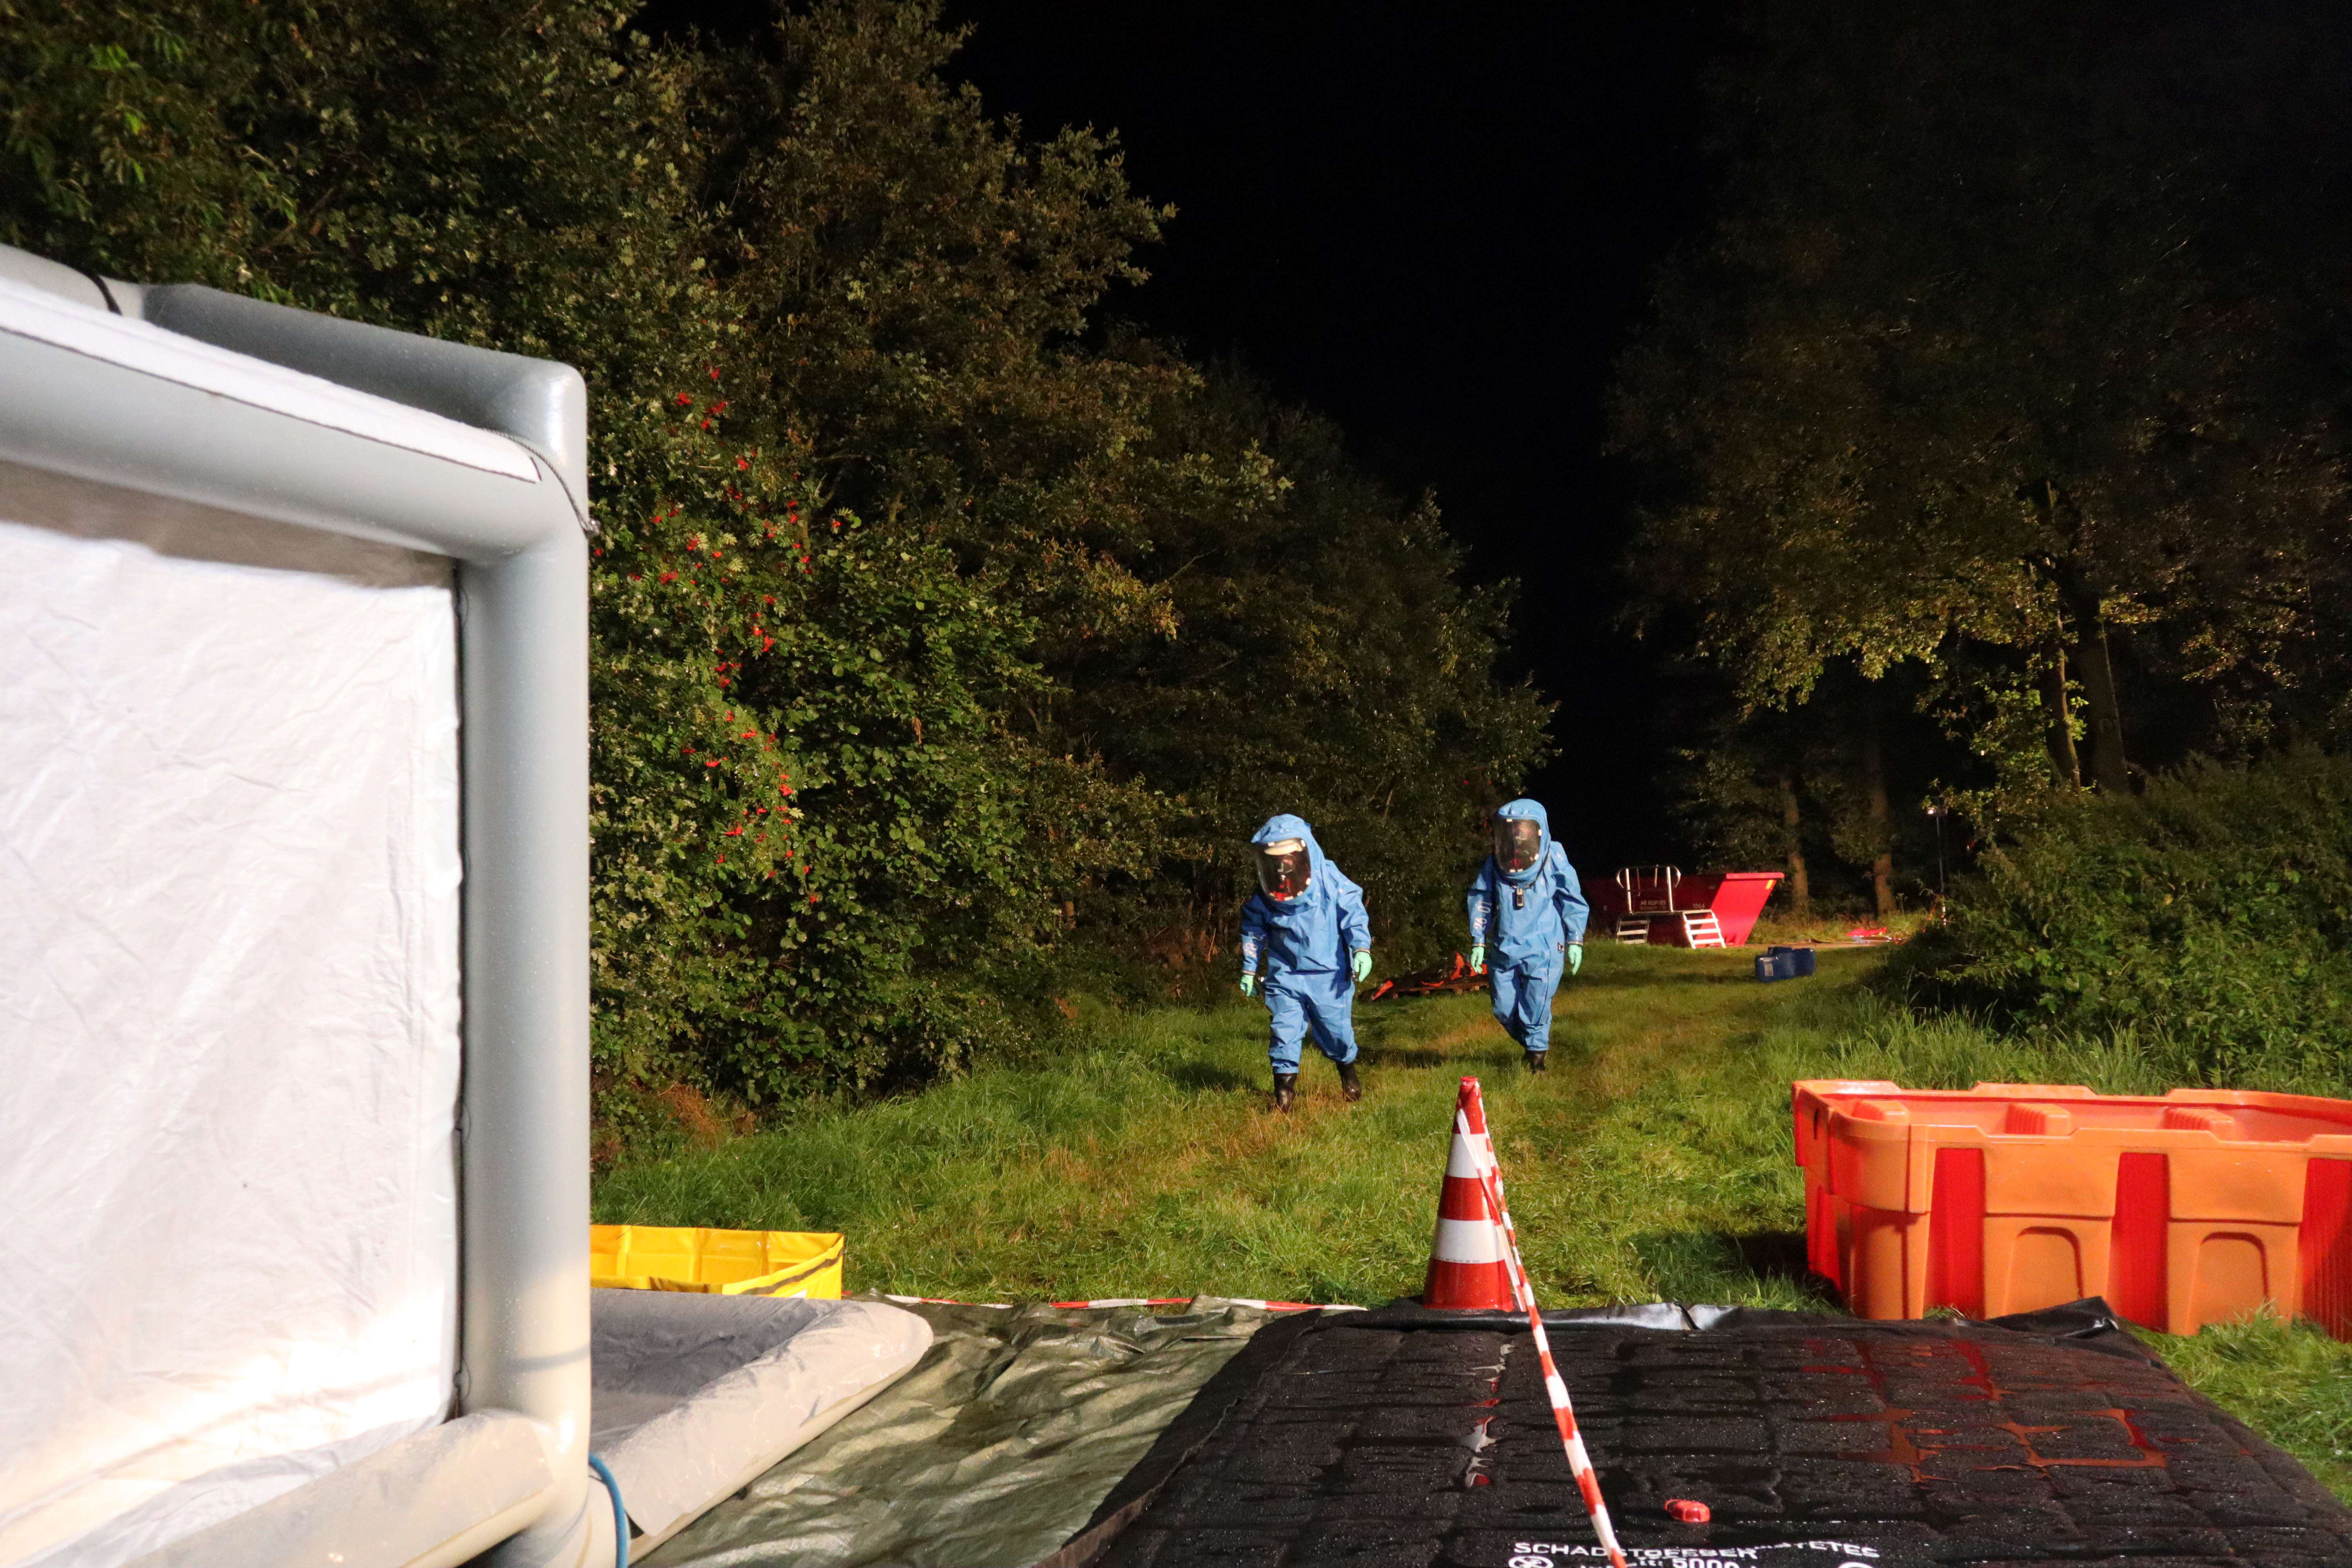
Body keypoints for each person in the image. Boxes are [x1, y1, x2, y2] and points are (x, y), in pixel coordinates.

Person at [1238, 813, 1372, 1111]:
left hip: (1328, 974)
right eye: (1275, 859)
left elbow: (1353, 912)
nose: (1282, 866)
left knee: (1335, 1031)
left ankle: (1347, 1070)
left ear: (1302, 852)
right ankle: (1284, 1094)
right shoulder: (1268, 893)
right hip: (1285, 974)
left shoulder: (1329, 880)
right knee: (1284, 1029)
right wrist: (1249, 968)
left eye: (1287, 857)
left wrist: (1361, 948)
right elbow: (1253, 927)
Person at [1465, 798, 1588, 1073]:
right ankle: (1532, 1044)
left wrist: (1575, 939)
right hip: (1505, 946)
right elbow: (1481, 898)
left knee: (1536, 1004)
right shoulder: (1495, 864)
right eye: (1511, 829)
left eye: (1523, 829)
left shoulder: (1553, 858)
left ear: (1537, 831)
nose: (1517, 836)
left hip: (1544, 947)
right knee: (1503, 1008)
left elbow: (1572, 899)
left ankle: (1536, 1058)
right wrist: (1478, 940)